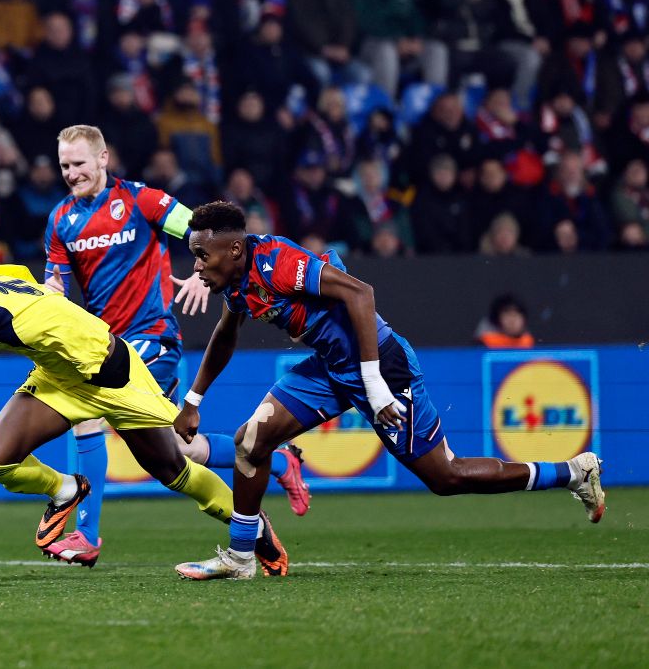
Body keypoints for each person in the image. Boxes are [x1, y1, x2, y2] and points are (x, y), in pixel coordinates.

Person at [172, 201, 606, 580]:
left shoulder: (277, 263)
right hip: (330, 368)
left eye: (201, 255)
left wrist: (375, 382)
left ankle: (572, 473)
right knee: (251, 441)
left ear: (234, 249)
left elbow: (361, 294)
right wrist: (193, 400)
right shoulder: (237, 283)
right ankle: (241, 557)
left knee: (446, 477)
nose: (196, 266)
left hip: (381, 364)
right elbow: (225, 335)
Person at [0, 265, 272, 569]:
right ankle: (66, 490)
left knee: (173, 466)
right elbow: (19, 272)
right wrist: (43, 309)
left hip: (109, 372)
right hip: (59, 375)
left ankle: (253, 529)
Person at [41, 125, 308, 570]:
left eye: (80, 163)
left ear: (103, 158)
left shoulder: (140, 200)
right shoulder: (60, 219)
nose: (72, 173)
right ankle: (278, 462)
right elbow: (57, 283)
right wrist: (49, 295)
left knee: (87, 415)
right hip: (104, 344)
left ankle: (87, 535)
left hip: (152, 336)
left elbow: (202, 232)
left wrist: (204, 274)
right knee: (181, 449)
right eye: (65, 165)